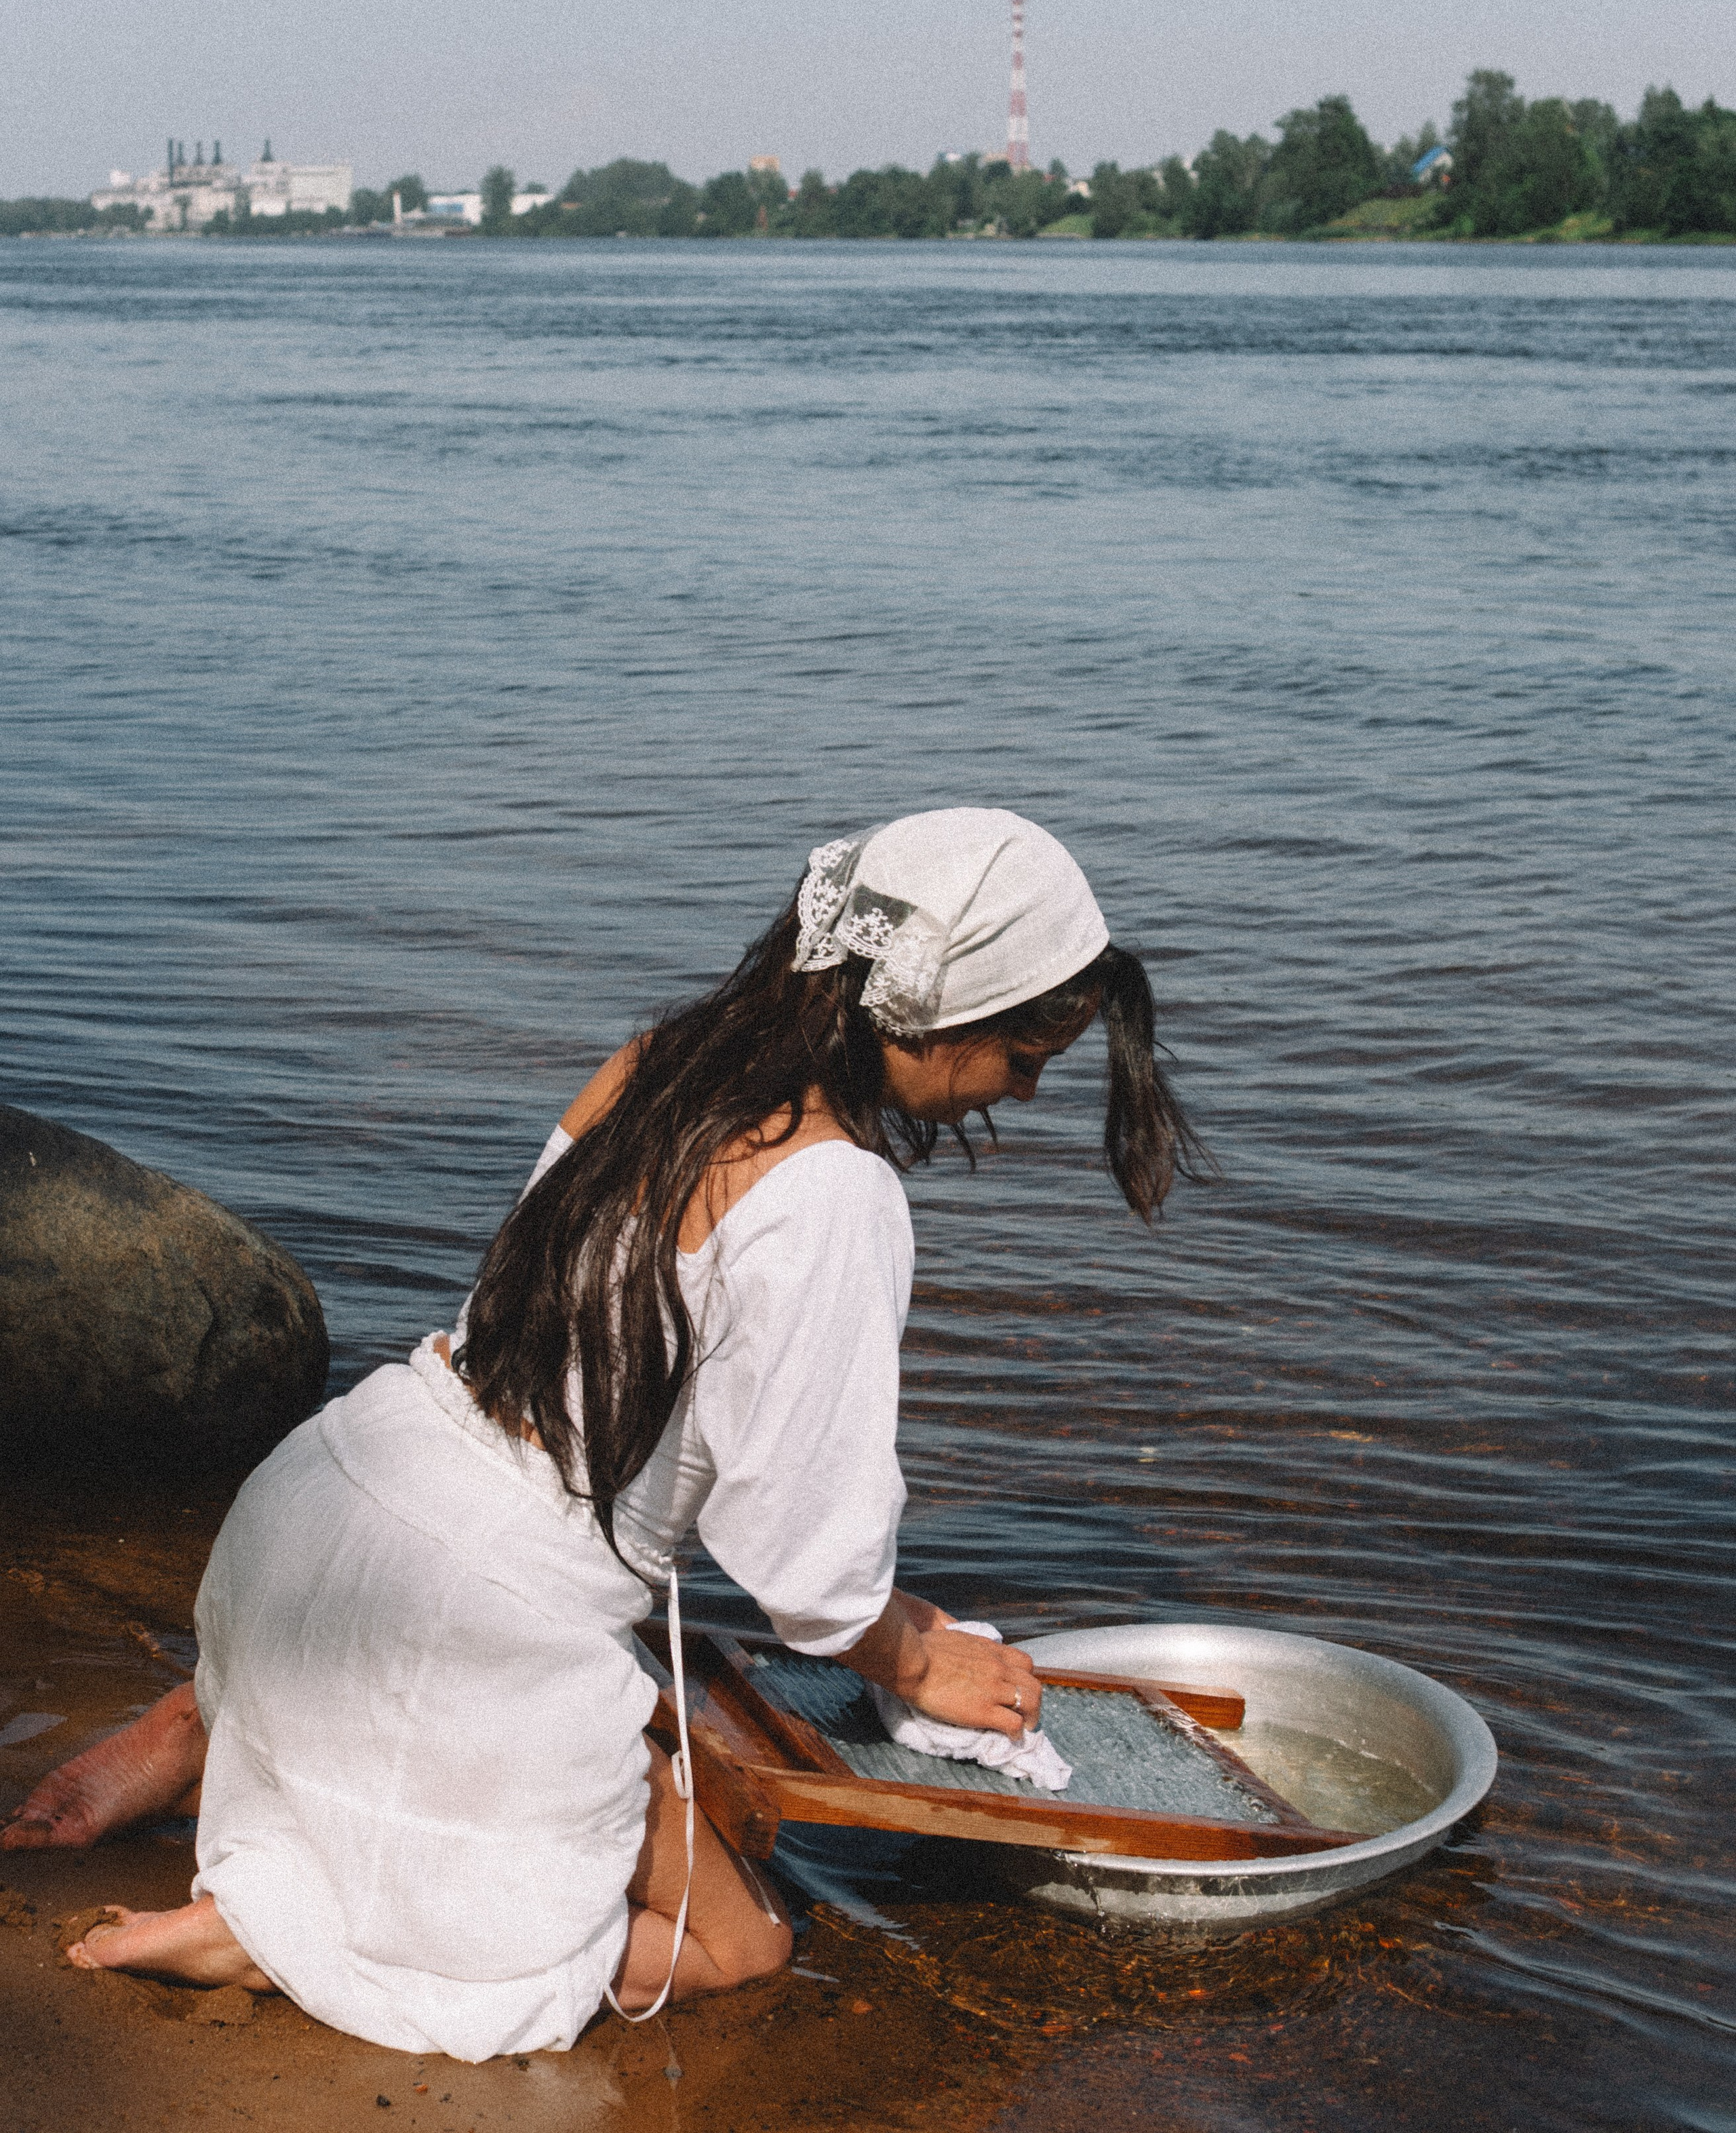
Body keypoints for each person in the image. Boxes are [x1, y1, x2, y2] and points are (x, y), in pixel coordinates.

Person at [6, 809, 1205, 2059]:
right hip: (470, 1617)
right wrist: (915, 1655)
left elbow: (559, 1359)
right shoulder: (839, 1190)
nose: (1026, 1087)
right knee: (743, 1950)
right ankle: (279, 1930)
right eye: (1030, 1050)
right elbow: (803, 1559)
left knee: (512, 1688)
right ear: (941, 1008)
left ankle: (200, 1723)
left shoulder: (661, 1065)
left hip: (322, 1501)